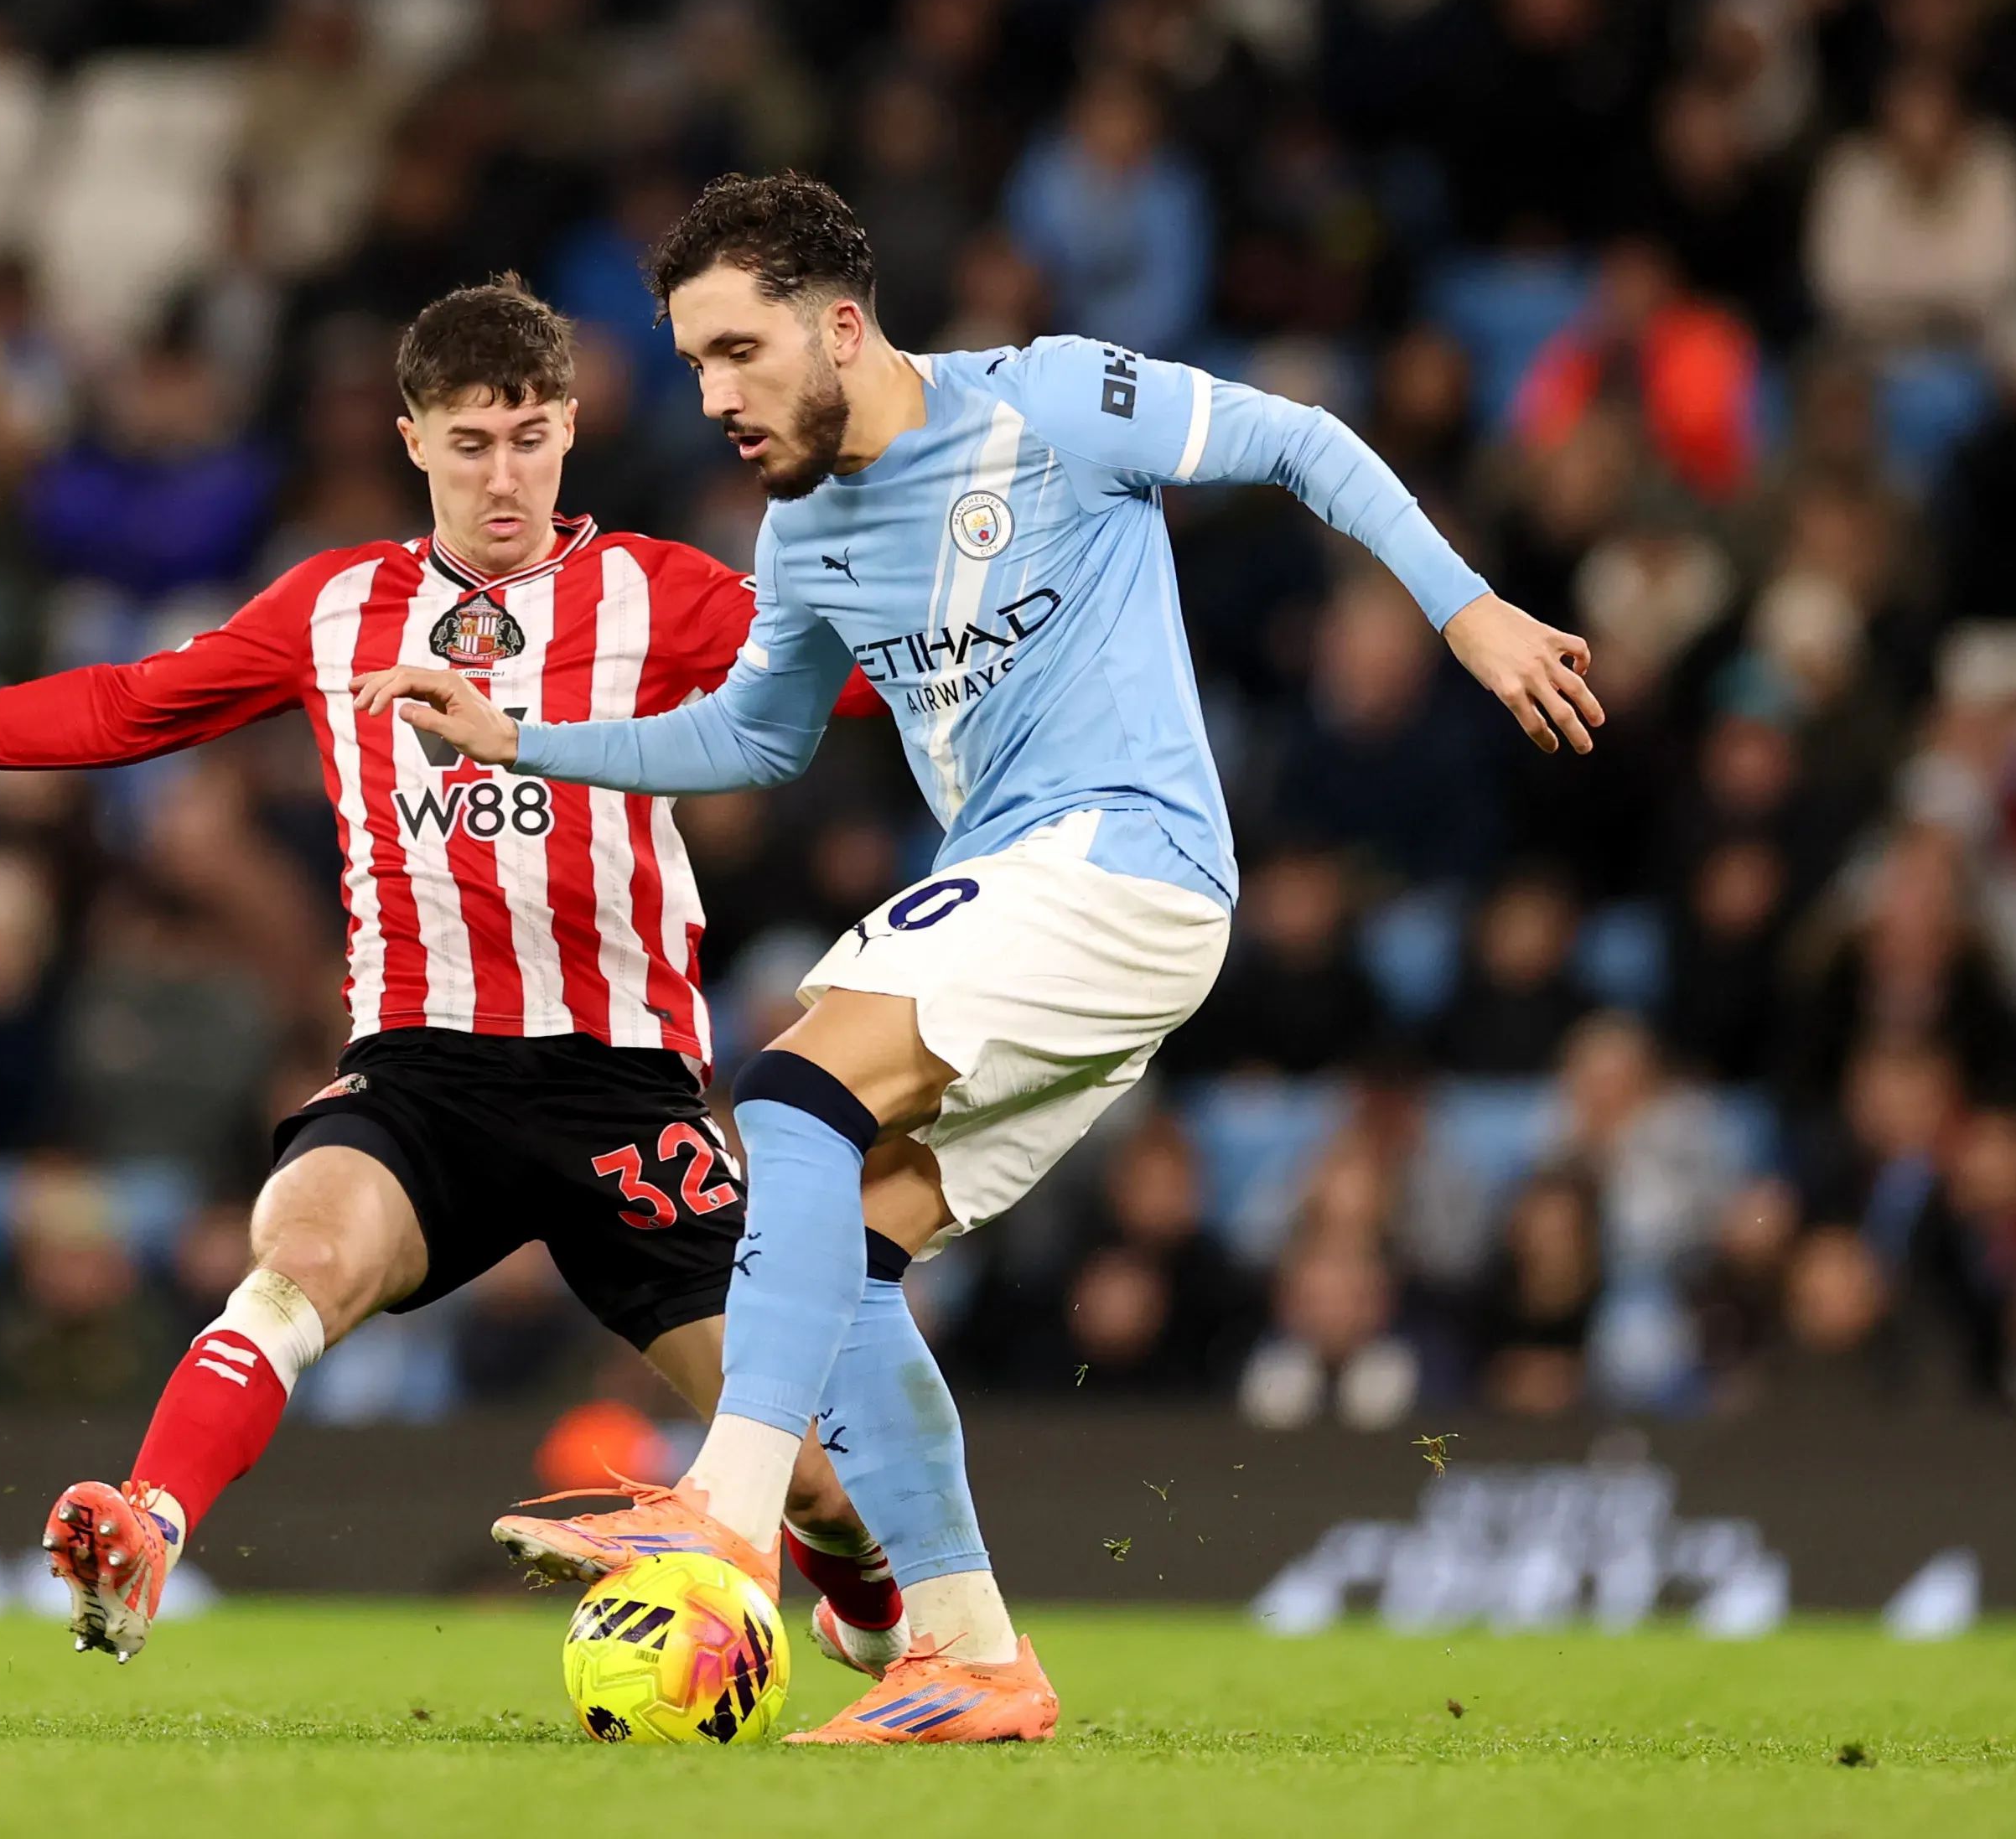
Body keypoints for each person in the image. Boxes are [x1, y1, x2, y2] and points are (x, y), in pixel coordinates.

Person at [360, 172, 1600, 1742]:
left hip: (1118, 856)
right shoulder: (802, 526)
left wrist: (1466, 610)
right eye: (690, 367)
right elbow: (753, 736)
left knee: (793, 1094)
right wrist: (520, 736)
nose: (713, 396)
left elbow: (1299, 439)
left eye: (738, 352)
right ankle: (972, 1655)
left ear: (841, 324)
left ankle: (726, 1510)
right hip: (1053, 903)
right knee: (853, 1260)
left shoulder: (1053, 400)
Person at [0, 278, 908, 1671]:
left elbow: (866, 682)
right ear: (411, 442)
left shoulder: (660, 593)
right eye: (467, 442)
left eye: (524, 438)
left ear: (568, 429)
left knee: (803, 1477)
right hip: (423, 1071)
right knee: (302, 1252)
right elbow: (122, 707)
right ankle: (146, 1524)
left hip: (619, 1084)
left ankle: (866, 1598)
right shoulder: (335, 609)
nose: (500, 475)